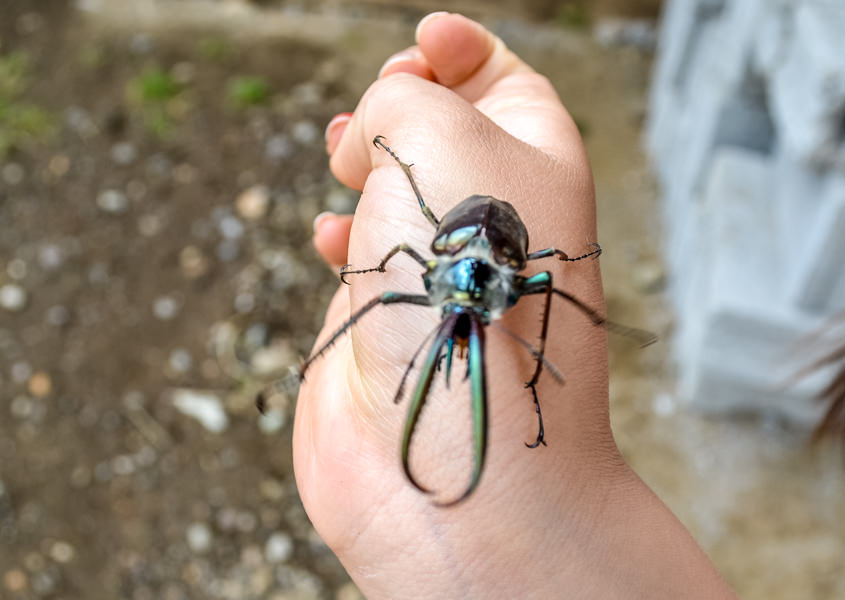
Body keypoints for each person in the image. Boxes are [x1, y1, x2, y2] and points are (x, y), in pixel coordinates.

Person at [299, 12, 737, 599]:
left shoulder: (509, 283)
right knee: (411, 249)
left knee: (545, 278)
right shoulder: (438, 272)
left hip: (503, 236)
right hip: (465, 232)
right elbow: (408, 249)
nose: (460, 320)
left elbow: (546, 282)